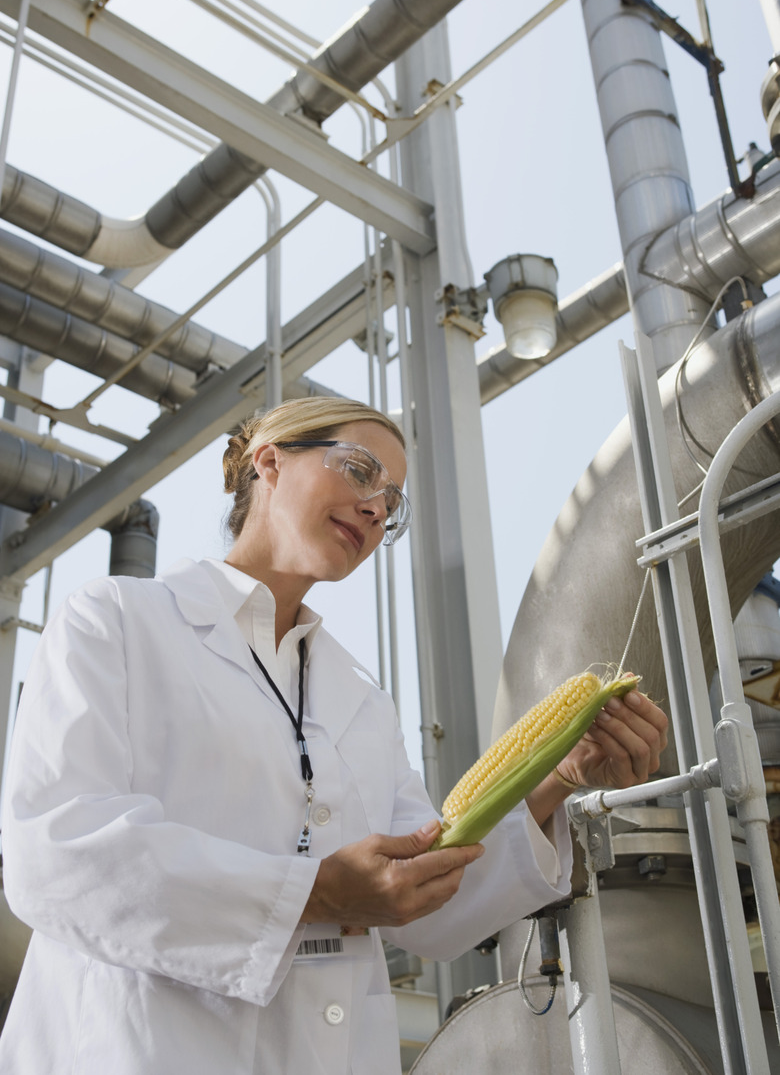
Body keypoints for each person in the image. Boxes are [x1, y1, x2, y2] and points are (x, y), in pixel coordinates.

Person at [0, 397, 667, 1075]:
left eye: (393, 502)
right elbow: (55, 850)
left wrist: (559, 773)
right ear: (269, 463)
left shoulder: (362, 702)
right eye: (359, 470)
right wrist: (313, 892)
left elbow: (428, 896)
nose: (378, 508)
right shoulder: (116, 622)